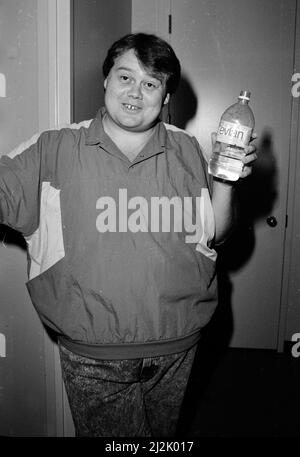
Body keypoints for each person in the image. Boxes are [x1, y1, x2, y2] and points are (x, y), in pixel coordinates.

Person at [0, 33, 257, 437]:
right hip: (94, 355)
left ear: (166, 95)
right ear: (105, 81)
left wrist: (227, 184)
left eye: (151, 83)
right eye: (125, 77)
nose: (135, 92)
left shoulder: (190, 149)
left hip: (179, 345)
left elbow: (218, 236)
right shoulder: (54, 147)